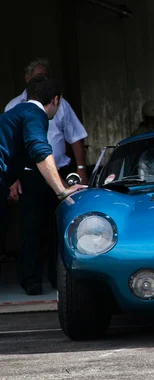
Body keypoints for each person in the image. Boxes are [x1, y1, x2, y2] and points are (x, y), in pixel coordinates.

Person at [4, 58, 89, 295]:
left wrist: (75, 172)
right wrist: (61, 189)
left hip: (45, 171)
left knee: (58, 228)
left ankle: (58, 277)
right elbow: (39, 151)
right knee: (30, 228)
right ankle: (30, 278)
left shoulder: (28, 109)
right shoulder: (31, 112)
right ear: (55, 100)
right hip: (25, 175)